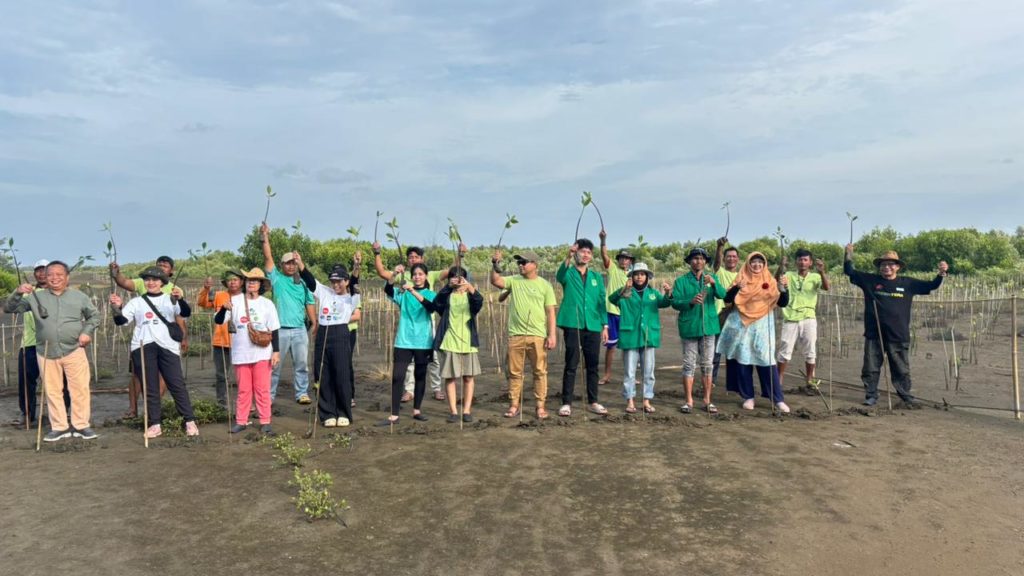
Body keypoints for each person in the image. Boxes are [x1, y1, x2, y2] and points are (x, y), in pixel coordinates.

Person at [5, 261, 100, 441]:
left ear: (67, 277)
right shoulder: (34, 298)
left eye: (59, 274)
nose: (54, 278)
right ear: (45, 278)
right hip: (46, 351)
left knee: (79, 388)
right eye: (50, 275)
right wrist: (18, 292)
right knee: (52, 390)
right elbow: (10, 308)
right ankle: (59, 427)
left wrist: (86, 333)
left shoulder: (79, 297)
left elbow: (94, 316)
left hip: (74, 349)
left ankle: (81, 425)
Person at [844, 245, 947, 407]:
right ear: (879, 268)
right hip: (874, 333)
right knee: (871, 367)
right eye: (883, 265)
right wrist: (848, 254)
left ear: (897, 267)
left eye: (891, 264)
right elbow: (850, 271)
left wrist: (941, 274)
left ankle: (905, 395)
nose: (887, 267)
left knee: (901, 368)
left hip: (898, 334)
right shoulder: (870, 281)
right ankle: (871, 395)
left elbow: (931, 285)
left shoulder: (908, 283)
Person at [110, 267, 199, 438]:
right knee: (149, 386)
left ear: (162, 283)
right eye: (147, 280)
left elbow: (185, 312)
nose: (151, 283)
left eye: (155, 280)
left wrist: (180, 299)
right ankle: (155, 423)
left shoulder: (170, 299)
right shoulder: (136, 302)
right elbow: (121, 321)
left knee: (176, 384)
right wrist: (117, 308)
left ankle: (190, 421)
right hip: (143, 346)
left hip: (168, 346)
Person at [371, 243, 450, 402]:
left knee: (433, 358)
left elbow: (450, 272)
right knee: (409, 363)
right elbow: (382, 274)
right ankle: (409, 390)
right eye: (410, 257)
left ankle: (436, 388)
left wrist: (459, 256)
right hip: (408, 326)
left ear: (422, 260)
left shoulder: (431, 275)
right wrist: (377, 253)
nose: (413, 260)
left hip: (428, 323)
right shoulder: (402, 275)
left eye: (416, 257)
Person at [717, 252, 791, 413]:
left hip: (763, 326)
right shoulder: (740, 277)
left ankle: (777, 398)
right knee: (744, 359)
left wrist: (784, 288)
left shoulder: (771, 281)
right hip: (742, 325)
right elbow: (727, 298)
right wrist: (738, 287)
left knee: (766, 360)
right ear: (748, 264)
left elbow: (783, 302)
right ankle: (748, 396)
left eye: (760, 262)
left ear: (764, 265)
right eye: (753, 262)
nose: (757, 265)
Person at [490, 249, 557, 419]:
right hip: (516, 335)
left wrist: (552, 335)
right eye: (519, 262)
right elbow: (496, 281)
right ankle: (514, 405)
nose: (520, 265)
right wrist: (495, 264)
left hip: (537, 336)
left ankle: (540, 407)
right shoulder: (514, 281)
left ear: (535, 265)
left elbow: (550, 312)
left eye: (524, 262)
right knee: (514, 373)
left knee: (540, 372)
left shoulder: (545, 285)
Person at [215, 268, 281, 435]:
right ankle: (241, 421)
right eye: (249, 280)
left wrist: (276, 352)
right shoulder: (234, 301)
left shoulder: (267, 304)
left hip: (262, 353)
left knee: (262, 389)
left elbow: (274, 330)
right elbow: (219, 320)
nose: (252, 283)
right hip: (241, 353)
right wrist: (224, 308)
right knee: (244, 389)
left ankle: (265, 421)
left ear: (261, 284)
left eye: (255, 280)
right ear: (245, 283)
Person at [111, 256, 180, 414]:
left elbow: (179, 316)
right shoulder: (144, 283)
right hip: (143, 340)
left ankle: (153, 408)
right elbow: (124, 282)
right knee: (137, 374)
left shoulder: (176, 290)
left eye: (166, 265)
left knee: (163, 375)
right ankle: (133, 408)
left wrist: (183, 337)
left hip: (166, 340)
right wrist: (116, 273)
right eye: (159, 264)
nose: (162, 266)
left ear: (170, 272)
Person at [260, 223, 316, 405]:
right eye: (288, 263)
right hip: (280, 330)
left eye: (294, 263)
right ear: (282, 265)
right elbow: (267, 257)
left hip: (300, 329)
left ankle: (302, 393)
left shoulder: (304, 282)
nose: (291, 267)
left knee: (301, 365)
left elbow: (309, 302)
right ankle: (269, 396)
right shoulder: (276, 279)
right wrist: (265, 237)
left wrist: (314, 322)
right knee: (274, 365)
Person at [300, 264, 360, 427]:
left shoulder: (352, 296)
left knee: (341, 374)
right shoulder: (324, 291)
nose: (335, 285)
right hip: (323, 333)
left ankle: (343, 412)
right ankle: (327, 413)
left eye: (339, 281)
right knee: (322, 373)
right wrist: (300, 265)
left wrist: (356, 267)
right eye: (333, 281)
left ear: (346, 281)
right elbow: (310, 280)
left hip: (340, 332)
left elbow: (355, 281)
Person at [608, 263, 672, 414]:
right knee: (629, 372)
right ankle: (630, 400)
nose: (639, 277)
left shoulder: (653, 293)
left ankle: (646, 400)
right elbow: (612, 299)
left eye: (642, 274)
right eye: (636, 274)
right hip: (630, 336)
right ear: (631, 276)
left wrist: (668, 293)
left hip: (648, 336)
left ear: (647, 276)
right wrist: (624, 288)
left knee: (648, 371)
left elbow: (664, 303)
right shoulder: (626, 292)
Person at [556, 238, 609, 417]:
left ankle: (593, 401)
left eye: (588, 252)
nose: (585, 255)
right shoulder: (569, 273)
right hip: (573, 323)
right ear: (576, 252)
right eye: (582, 251)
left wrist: (605, 325)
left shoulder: (596, 277)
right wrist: (568, 256)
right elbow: (559, 276)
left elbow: (602, 301)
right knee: (571, 363)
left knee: (593, 365)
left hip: (593, 324)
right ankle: (566, 403)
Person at [379, 263, 437, 426]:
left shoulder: (431, 294)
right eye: (415, 274)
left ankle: (417, 410)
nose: (417, 277)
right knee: (398, 376)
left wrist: (412, 291)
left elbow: (431, 308)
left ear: (425, 276)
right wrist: (394, 274)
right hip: (403, 340)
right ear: (411, 276)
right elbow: (388, 290)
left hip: (423, 342)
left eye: (420, 274)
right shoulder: (402, 293)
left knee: (420, 375)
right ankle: (394, 414)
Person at [671, 247, 727, 414]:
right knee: (689, 364)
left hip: (709, 327)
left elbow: (723, 295)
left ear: (705, 262)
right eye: (695, 258)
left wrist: (714, 284)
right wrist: (690, 301)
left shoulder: (711, 278)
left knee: (707, 365)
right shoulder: (681, 281)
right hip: (689, 327)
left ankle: (707, 400)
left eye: (702, 259)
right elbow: (675, 302)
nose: (698, 261)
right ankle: (689, 400)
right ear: (689, 261)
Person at [432, 267, 483, 423]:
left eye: (460, 277)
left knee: (468, 377)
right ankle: (453, 411)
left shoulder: (470, 295)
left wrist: (470, 288)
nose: (457, 280)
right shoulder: (447, 296)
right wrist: (448, 287)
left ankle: (466, 410)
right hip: (449, 341)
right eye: (453, 277)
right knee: (450, 377)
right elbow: (436, 303)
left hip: (468, 342)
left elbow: (478, 303)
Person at [776, 249, 830, 392]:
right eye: (800, 259)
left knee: (810, 349)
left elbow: (826, 287)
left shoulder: (815, 277)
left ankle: (810, 380)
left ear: (810, 262)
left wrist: (822, 272)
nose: (802, 262)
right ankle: (778, 379)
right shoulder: (789, 275)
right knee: (785, 348)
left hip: (808, 317)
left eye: (805, 260)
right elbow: (777, 281)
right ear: (796, 262)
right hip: (790, 317)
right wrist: (781, 267)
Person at [198, 271, 243, 408]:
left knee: (243, 374)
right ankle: (221, 402)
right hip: (221, 342)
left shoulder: (246, 298)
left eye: (235, 279)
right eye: (230, 280)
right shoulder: (218, 295)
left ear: (241, 282)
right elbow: (202, 302)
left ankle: (245, 401)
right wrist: (206, 288)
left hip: (241, 342)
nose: (232, 282)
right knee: (221, 374)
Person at [598, 231, 632, 386]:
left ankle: (630, 375)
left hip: (627, 314)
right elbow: (604, 255)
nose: (624, 261)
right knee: (611, 346)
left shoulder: (635, 276)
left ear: (630, 261)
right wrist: (603, 239)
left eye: (627, 259)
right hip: (612, 311)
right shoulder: (613, 269)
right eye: (621, 258)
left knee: (629, 346)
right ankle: (607, 375)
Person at [712, 239, 740, 385]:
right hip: (718, 316)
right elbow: (715, 264)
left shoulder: (742, 275)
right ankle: (711, 381)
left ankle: (732, 383)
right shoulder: (719, 272)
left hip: (735, 318)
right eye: (728, 256)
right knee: (715, 352)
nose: (731, 259)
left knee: (732, 352)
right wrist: (719, 247)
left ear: (738, 259)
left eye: (734, 256)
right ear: (724, 258)